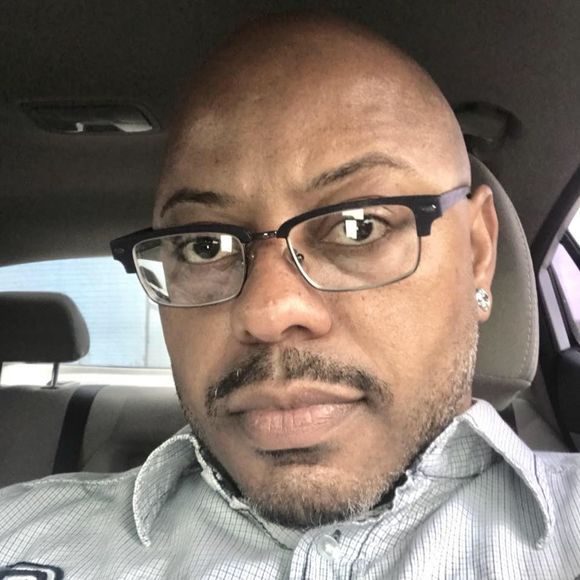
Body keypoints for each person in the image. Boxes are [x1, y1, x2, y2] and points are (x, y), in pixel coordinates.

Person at [1, 12, 579, 580]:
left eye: (358, 226)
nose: (268, 312)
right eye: (204, 246)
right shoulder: (19, 532)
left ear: (477, 252)